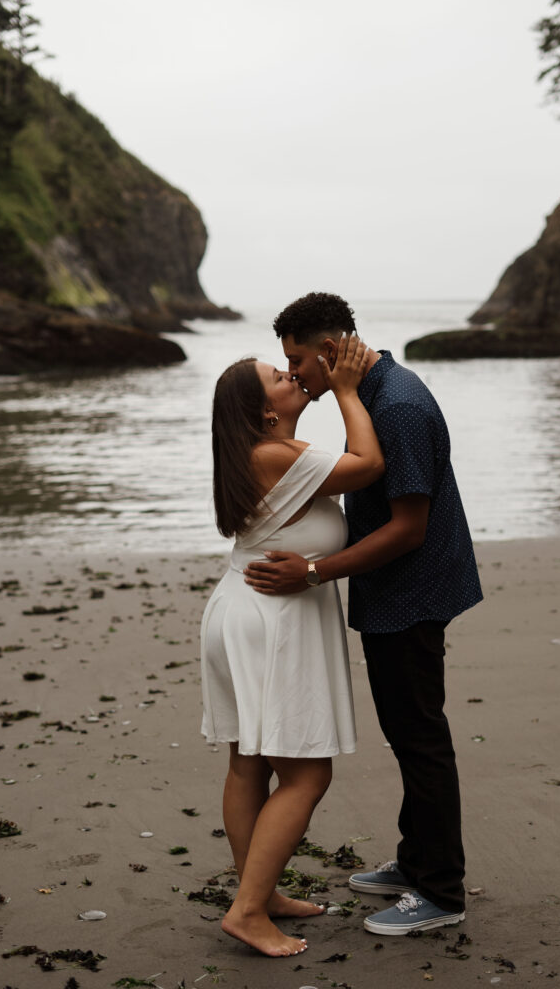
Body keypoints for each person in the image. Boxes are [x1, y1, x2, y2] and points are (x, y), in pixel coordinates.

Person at [244, 291, 483, 936]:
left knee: (420, 739)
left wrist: (314, 572)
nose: (293, 374)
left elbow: (409, 528)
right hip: (397, 589)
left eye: (297, 360)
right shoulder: (376, 394)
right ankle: (415, 862)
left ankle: (441, 891)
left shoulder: (398, 405)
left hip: (413, 590)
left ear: (330, 351)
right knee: (410, 735)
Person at [201, 333, 384, 958]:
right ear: (265, 411)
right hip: (269, 616)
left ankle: (261, 891)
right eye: (277, 375)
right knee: (307, 772)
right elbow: (367, 464)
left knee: (250, 761)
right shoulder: (273, 453)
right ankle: (249, 910)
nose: (290, 374)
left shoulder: (267, 449)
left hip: (248, 607)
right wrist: (348, 390)